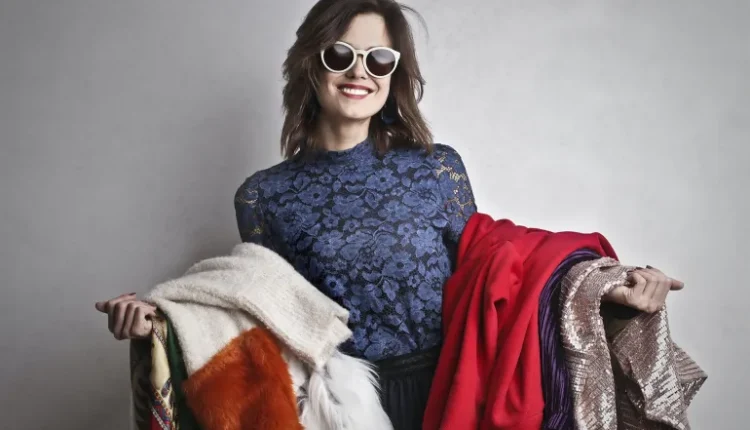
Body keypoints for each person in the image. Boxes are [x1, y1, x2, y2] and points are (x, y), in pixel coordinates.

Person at [96, 0, 684, 428]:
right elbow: (257, 310)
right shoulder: (262, 196)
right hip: (344, 407)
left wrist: (605, 285)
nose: (361, 72)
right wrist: (163, 320)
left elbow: (495, 269)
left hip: (451, 391)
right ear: (311, 64)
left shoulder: (437, 167)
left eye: (379, 58)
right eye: (341, 54)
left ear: (394, 73)